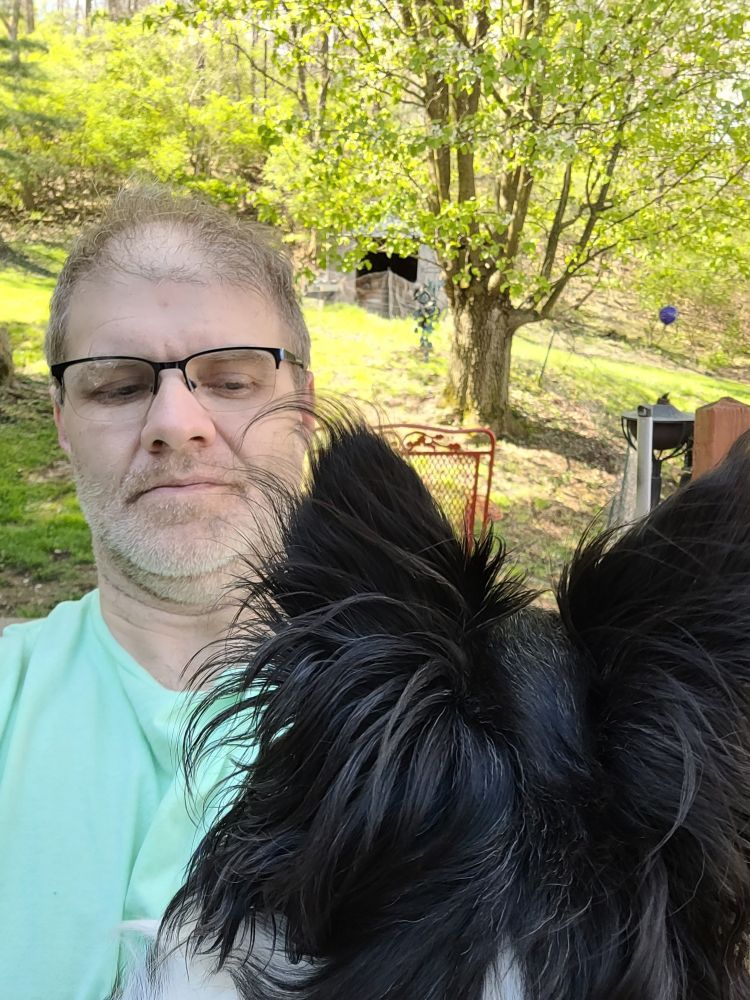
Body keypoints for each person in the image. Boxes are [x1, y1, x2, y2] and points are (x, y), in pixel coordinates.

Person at [0, 185, 314, 1000]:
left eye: (232, 380)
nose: (176, 421)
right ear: (62, 420)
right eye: (117, 387)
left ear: (304, 408)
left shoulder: (465, 730)